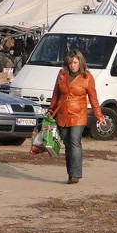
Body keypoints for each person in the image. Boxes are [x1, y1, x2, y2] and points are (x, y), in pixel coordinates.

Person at [47, 49, 106, 184]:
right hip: (62, 113)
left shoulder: (87, 77)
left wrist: (99, 116)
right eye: (70, 62)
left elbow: (93, 98)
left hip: (78, 114)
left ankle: (76, 174)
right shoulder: (62, 74)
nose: (73, 65)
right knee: (67, 144)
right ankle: (70, 173)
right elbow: (56, 93)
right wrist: (51, 110)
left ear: (80, 62)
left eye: (75, 62)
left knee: (74, 141)